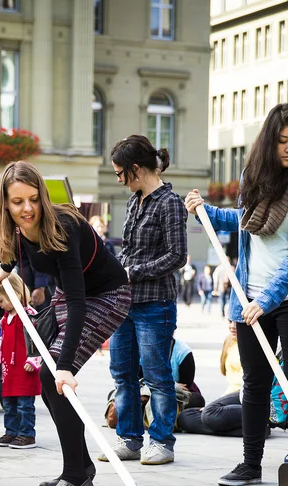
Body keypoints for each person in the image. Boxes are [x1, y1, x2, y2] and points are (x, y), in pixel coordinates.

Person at [185, 103, 288, 486]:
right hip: (249, 298)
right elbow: (247, 222)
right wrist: (208, 213)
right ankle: (250, 465)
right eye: (283, 140)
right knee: (254, 384)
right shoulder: (255, 178)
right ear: (269, 142)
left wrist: (267, 300)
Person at [0, 160, 131, 486]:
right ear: (6, 204)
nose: (27, 209)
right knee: (46, 376)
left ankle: (75, 477)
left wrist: (65, 365)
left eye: (33, 199)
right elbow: (17, 254)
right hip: (70, 295)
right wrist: (4, 268)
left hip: (106, 296)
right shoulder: (17, 229)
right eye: (17, 202)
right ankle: (80, 466)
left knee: (53, 374)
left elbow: (79, 300)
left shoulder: (63, 227)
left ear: (42, 195)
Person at [108, 134, 188, 466]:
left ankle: (162, 442)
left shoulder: (170, 203)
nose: (118, 179)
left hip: (155, 303)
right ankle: (129, 439)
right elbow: (129, 251)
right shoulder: (134, 201)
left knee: (156, 375)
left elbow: (178, 256)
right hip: (124, 302)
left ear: (136, 168)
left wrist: (134, 272)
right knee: (121, 372)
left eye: (120, 173)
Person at [0, 270, 41, 450]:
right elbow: (4, 340)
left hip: (24, 368)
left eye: (1, 300)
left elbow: (38, 340)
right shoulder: (6, 318)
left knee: (24, 404)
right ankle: (12, 431)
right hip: (10, 369)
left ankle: (27, 434)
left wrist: (34, 360)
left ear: (14, 294)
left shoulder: (29, 315)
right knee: (9, 404)